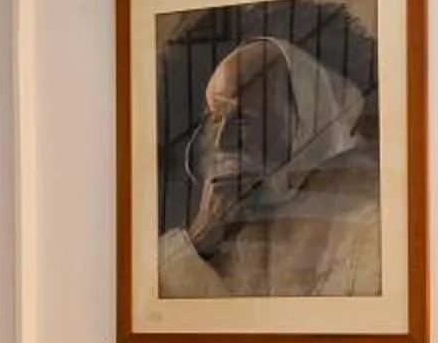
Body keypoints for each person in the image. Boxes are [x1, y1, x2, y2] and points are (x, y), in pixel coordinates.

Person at [158, 34, 382, 300]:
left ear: (303, 122)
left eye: (244, 120)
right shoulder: (225, 215)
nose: (221, 140)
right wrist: (202, 237)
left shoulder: (370, 221)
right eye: (216, 117)